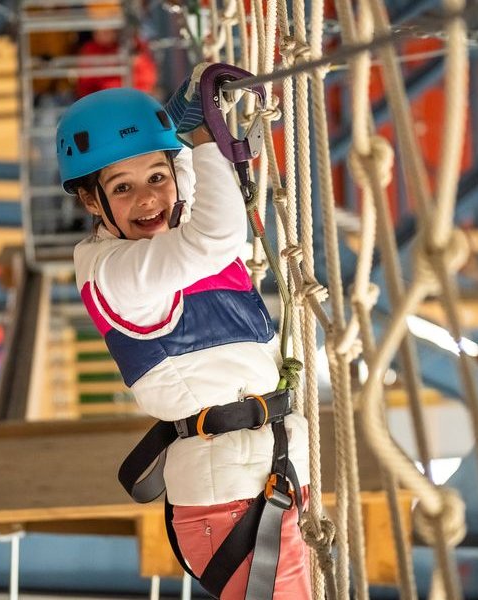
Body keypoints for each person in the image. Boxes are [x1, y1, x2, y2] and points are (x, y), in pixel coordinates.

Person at [56, 84, 311, 599]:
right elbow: (217, 236)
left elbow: (186, 187)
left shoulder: (162, 237)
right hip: (236, 502)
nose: (148, 198)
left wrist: (181, 127)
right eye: (122, 188)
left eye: (156, 176)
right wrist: (205, 135)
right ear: (90, 200)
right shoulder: (118, 273)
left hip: (255, 484)